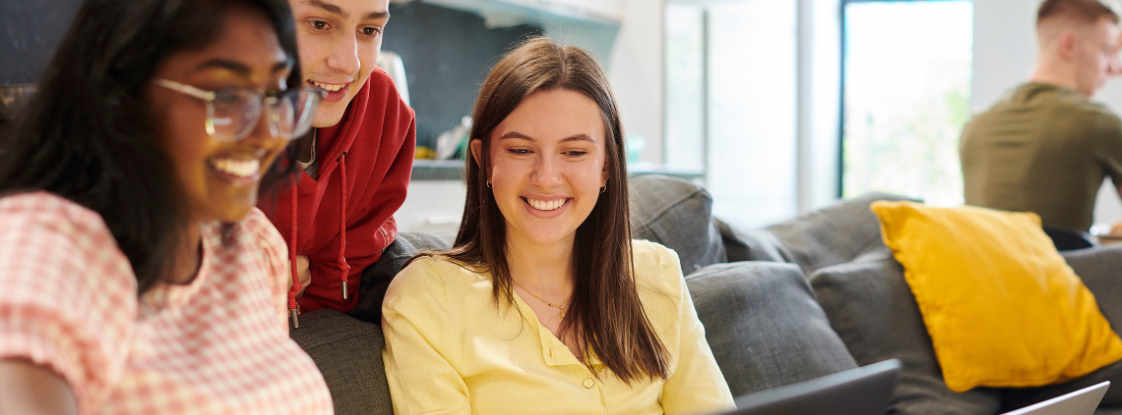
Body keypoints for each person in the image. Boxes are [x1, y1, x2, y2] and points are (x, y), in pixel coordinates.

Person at [0, 0, 334, 413]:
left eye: (276, 95)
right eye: (226, 95)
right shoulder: (48, 245)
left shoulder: (253, 244)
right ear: (120, 96)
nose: (267, 135)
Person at [381, 38, 734, 414]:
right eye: (520, 150)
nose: (546, 178)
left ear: (606, 167)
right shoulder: (428, 299)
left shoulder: (656, 273)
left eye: (574, 152)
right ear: (484, 160)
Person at [961, 0, 1122, 240]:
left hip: (980, 286)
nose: (1114, 67)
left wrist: (1094, 67)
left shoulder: (975, 127)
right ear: (1069, 45)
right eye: (1107, 50)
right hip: (1055, 286)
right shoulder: (1099, 123)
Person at [262, 0, 415, 324]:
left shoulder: (386, 111)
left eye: (369, 30)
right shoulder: (208, 108)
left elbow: (361, 248)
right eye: (319, 24)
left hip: (321, 320)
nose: (349, 63)